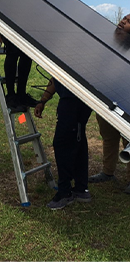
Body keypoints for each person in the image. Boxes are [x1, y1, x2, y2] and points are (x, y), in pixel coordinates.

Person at [34, 77, 92, 210]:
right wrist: (43, 100)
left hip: (74, 100)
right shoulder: (65, 58)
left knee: (63, 144)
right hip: (76, 100)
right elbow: (56, 76)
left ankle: (65, 192)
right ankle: (81, 189)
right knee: (78, 139)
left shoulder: (74, 57)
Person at [89, 14, 130, 192]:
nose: (123, 21)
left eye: (128, 22)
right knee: (108, 137)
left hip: (127, 102)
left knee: (128, 141)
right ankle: (107, 172)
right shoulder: (106, 44)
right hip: (106, 100)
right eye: (124, 18)